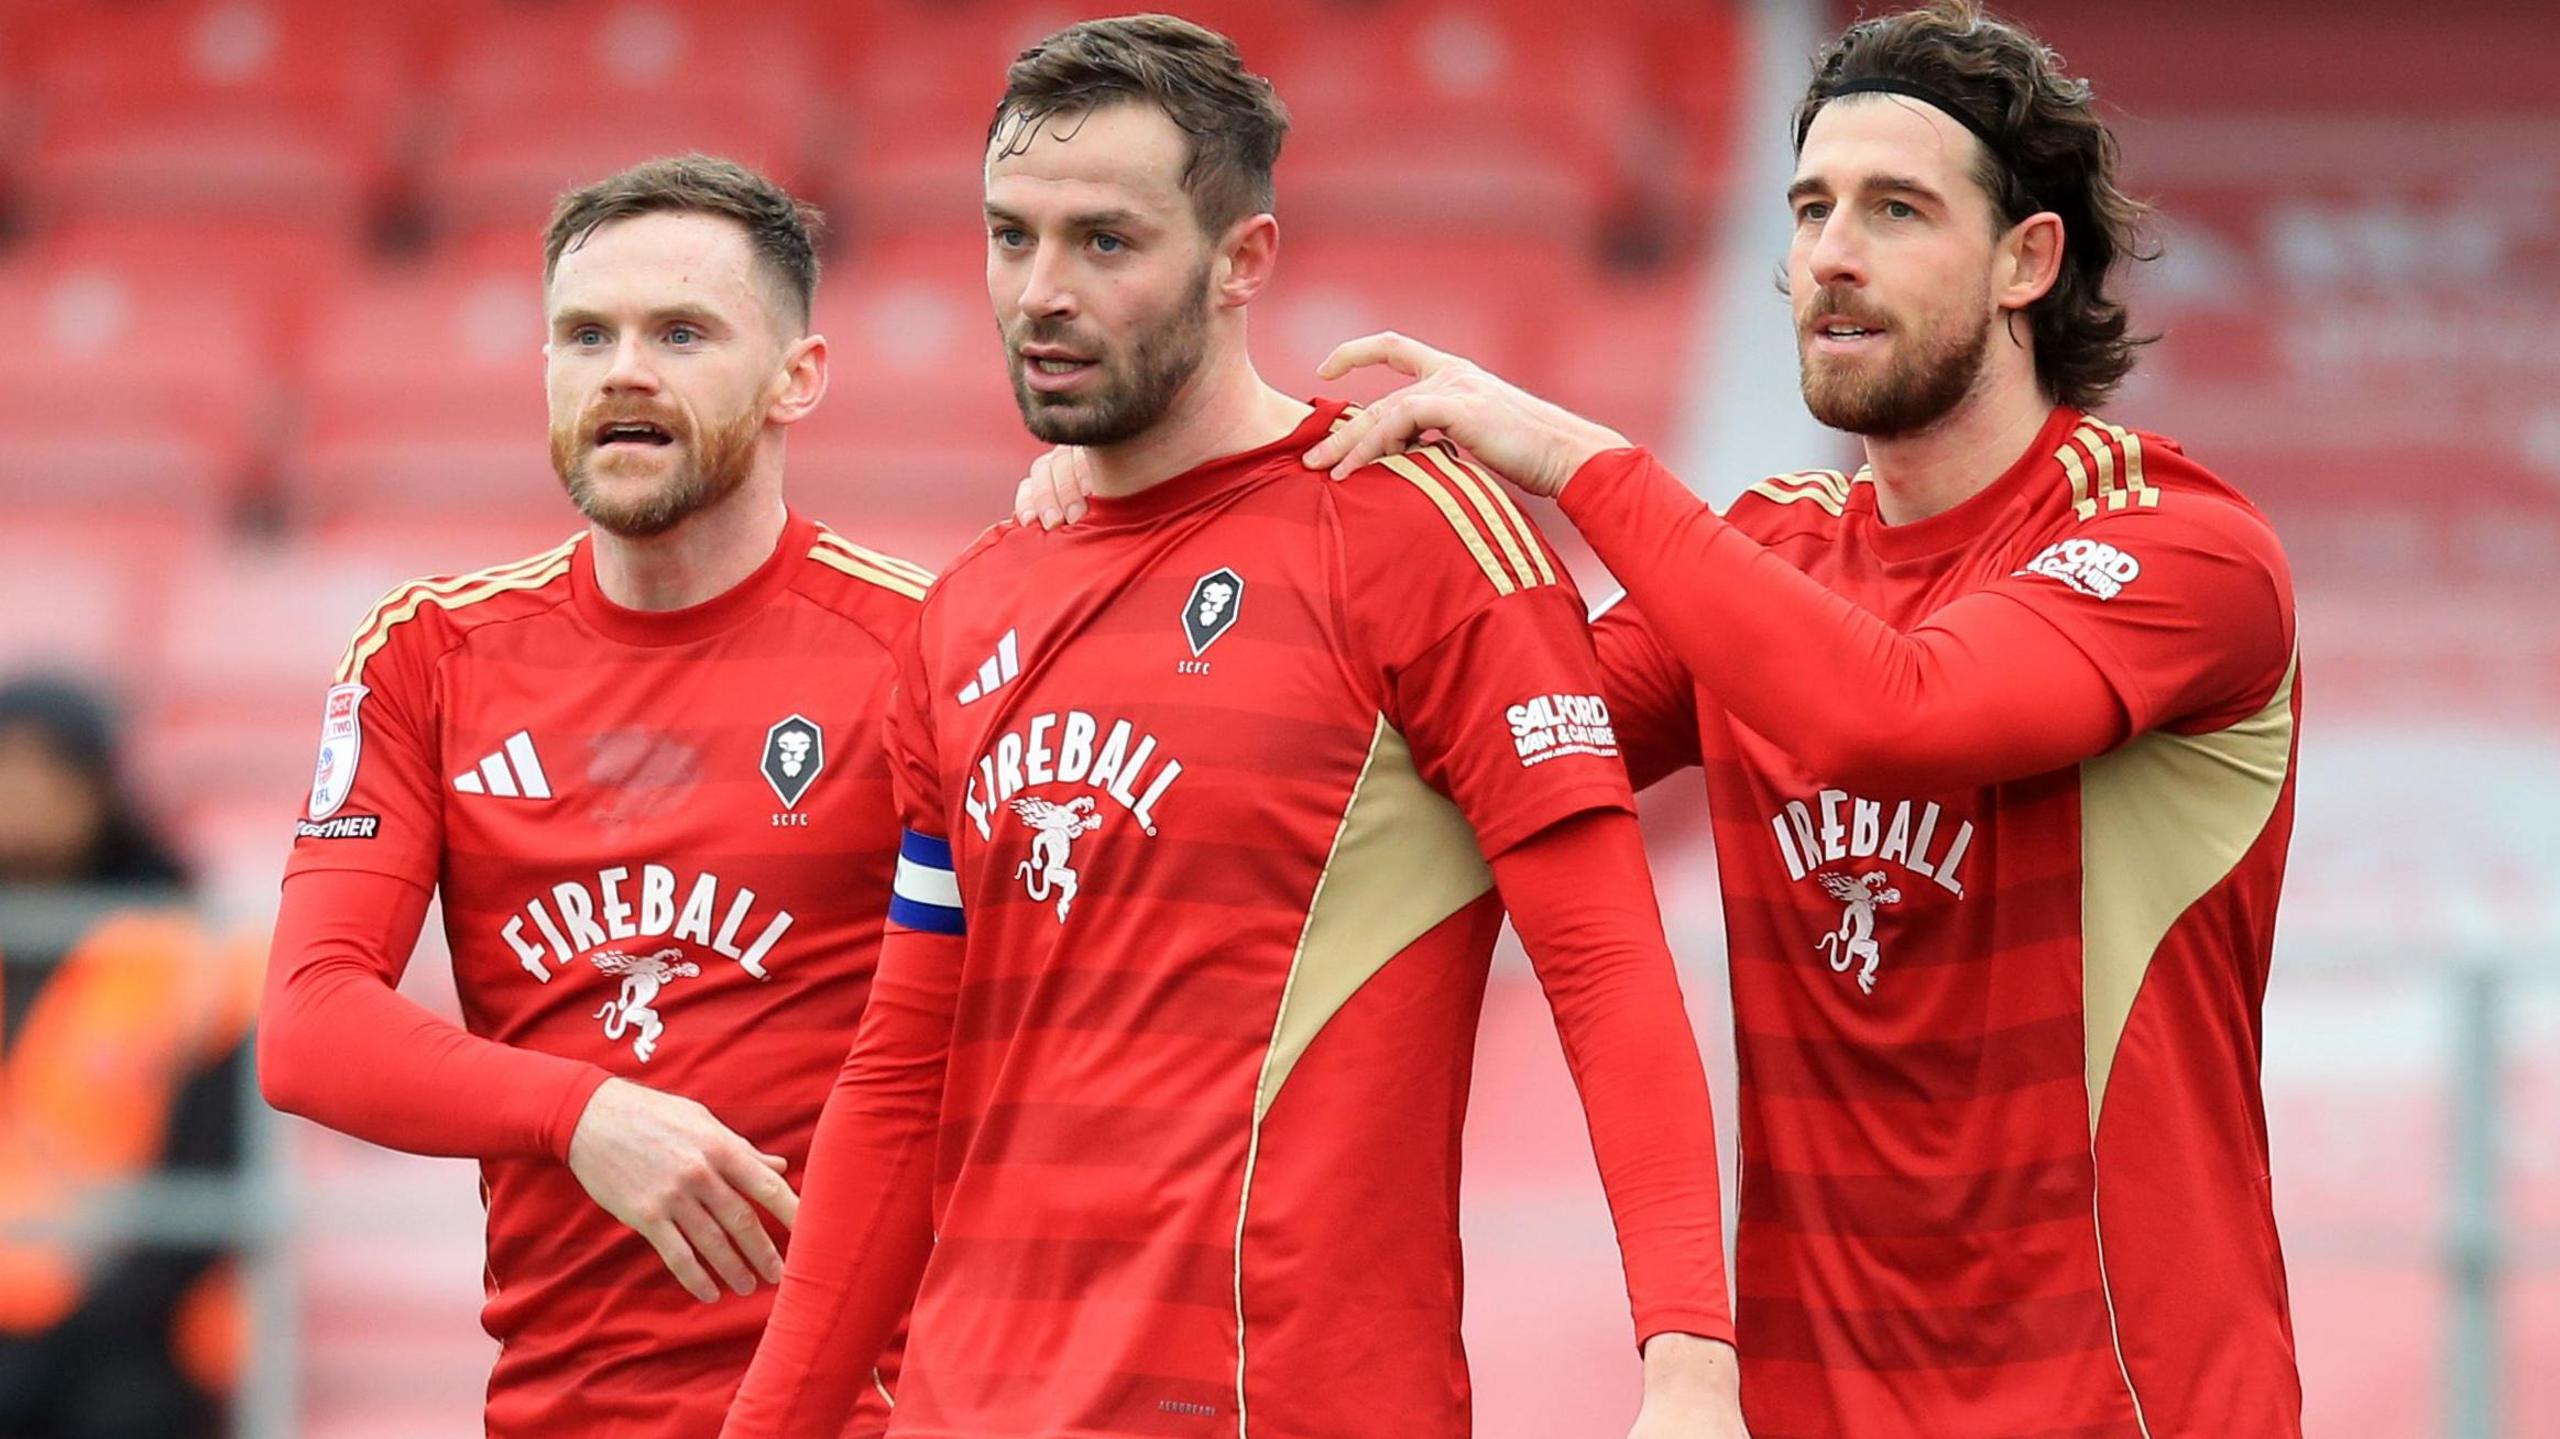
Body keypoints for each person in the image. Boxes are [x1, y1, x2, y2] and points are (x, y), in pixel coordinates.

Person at [724, 17, 1743, 1439]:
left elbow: (1607, 963)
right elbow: (899, 1078)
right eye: (1010, 237)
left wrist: (1689, 1359)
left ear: (1242, 259)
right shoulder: (969, 608)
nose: (1041, 291)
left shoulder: (1415, 539)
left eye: (1105, 241)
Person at [1296, 3, 2304, 1435]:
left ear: (2027, 261)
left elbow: (1895, 709)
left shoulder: (2179, 545)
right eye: (1810, 207)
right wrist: (1148, 501)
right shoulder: (1769, 552)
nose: (1829, 253)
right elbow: (1492, 742)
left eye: (1896, 209)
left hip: (2121, 1409)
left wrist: (1581, 462)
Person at [256, 156, 930, 1437]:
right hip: (556, 1403)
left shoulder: (927, 649)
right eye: (585, 334)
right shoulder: (429, 652)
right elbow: (309, 1024)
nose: (624, 370)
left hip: (871, 1404)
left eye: (681, 333)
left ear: (797, 376)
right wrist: (582, 1114)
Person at [0, 676, 249, 1439]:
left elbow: (207, 1188)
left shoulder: (189, 953)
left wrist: (67, 1341)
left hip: (134, 1342)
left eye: (48, 771)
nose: (23, 797)